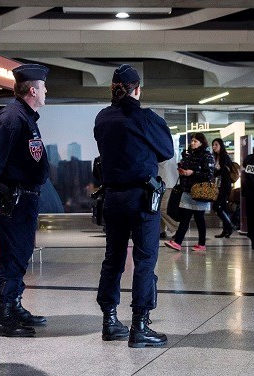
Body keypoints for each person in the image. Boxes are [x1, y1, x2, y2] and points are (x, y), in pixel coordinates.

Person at [95, 64, 173, 348]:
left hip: (112, 198)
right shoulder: (146, 117)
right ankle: (140, 326)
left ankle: (110, 321)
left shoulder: (102, 118)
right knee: (144, 261)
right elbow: (167, 151)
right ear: (137, 89)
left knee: (113, 259)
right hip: (141, 199)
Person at [0, 64, 51, 338]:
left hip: (25, 199)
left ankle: (14, 305)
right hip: (13, 199)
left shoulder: (26, 117)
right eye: (44, 87)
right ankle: (3, 316)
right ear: (33, 90)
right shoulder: (12, 118)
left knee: (21, 254)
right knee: (13, 256)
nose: (47, 91)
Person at [164, 133, 215, 251]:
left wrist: (192, 173)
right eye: (192, 140)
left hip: (199, 192)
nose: (192, 143)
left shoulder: (207, 156)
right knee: (185, 218)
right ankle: (178, 242)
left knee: (199, 218)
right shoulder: (188, 155)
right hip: (187, 191)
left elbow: (208, 174)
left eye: (195, 141)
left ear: (202, 143)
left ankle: (201, 244)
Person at [211, 138, 235, 238]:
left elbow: (223, 172)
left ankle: (230, 225)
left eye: (216, 144)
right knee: (223, 208)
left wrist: (215, 171)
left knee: (216, 206)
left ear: (221, 145)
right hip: (219, 186)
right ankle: (226, 230)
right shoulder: (217, 157)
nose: (214, 147)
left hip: (224, 186)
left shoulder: (224, 157)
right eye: (213, 145)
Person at [158, 156, 179, 239]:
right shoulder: (168, 147)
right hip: (166, 181)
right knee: (159, 207)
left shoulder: (162, 148)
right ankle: (161, 231)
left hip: (167, 182)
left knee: (162, 208)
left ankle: (178, 227)